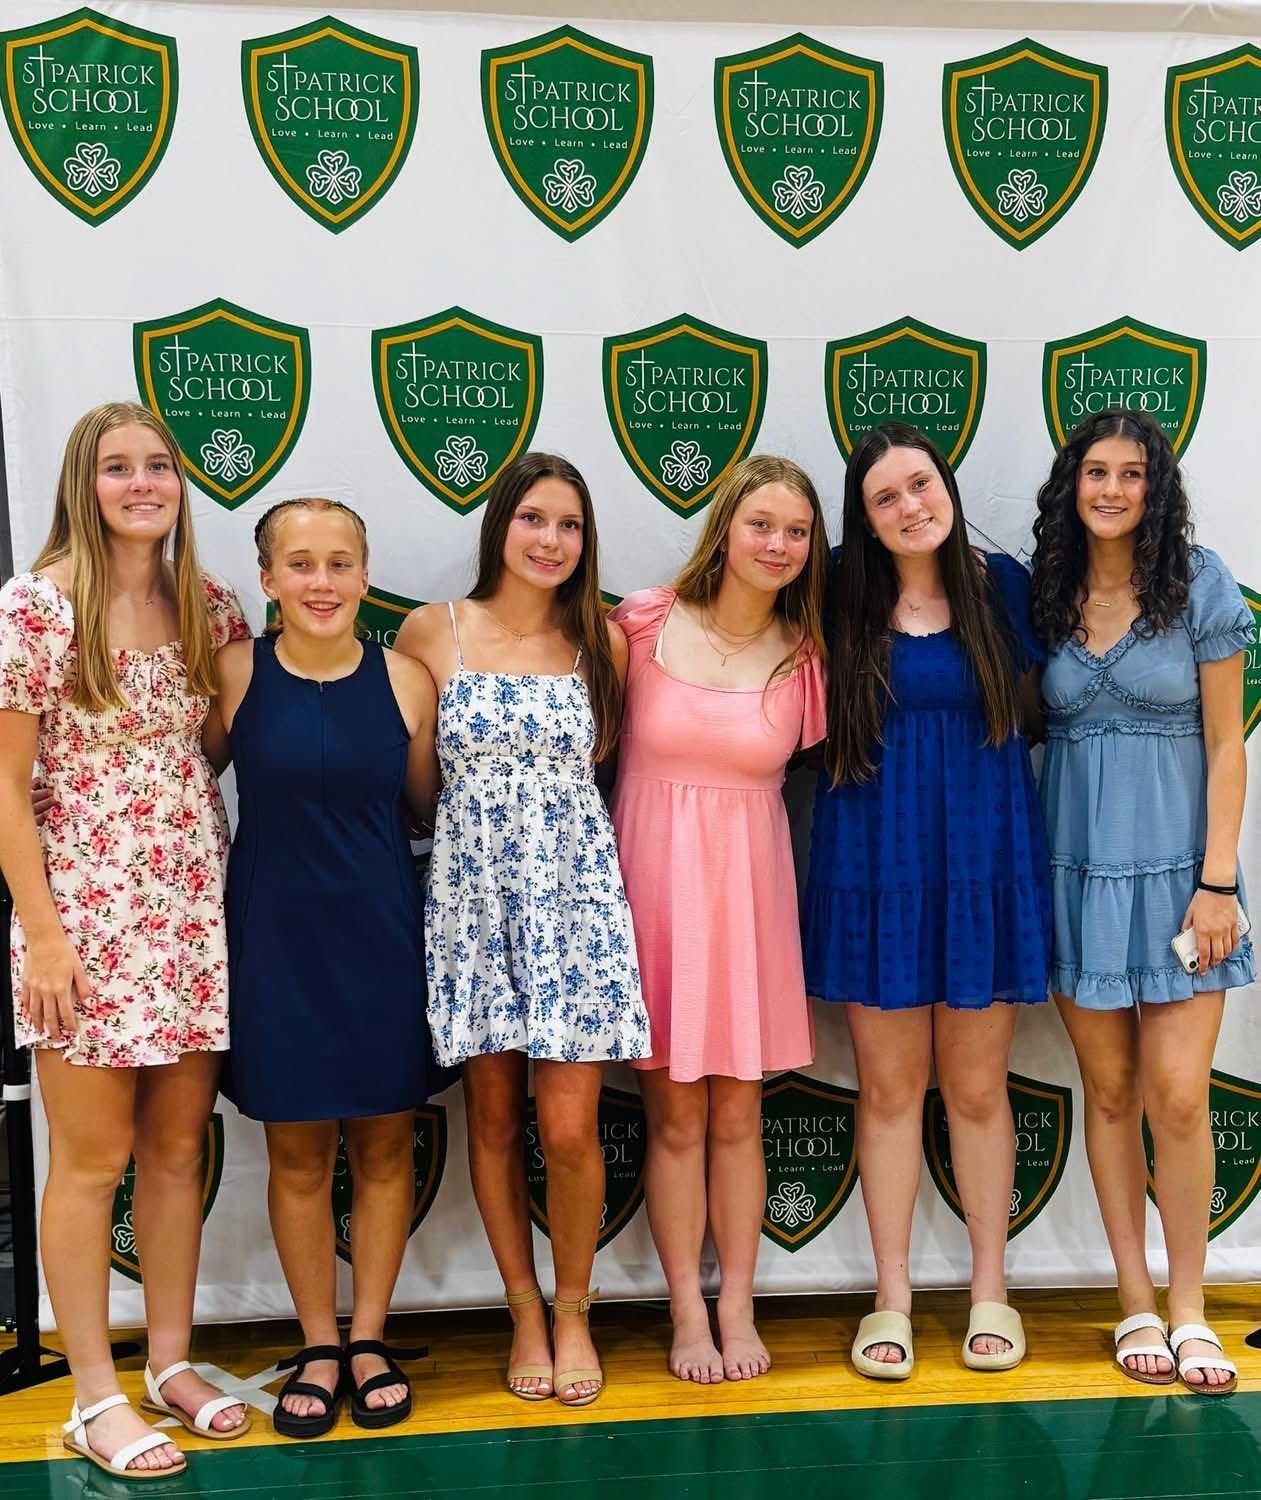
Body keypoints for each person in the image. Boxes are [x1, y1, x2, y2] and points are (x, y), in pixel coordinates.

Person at [0, 402, 250, 1479]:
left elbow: (219, 749)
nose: (141, 482)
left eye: (158, 465)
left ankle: (171, 1364)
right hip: (84, 921)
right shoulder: (38, 608)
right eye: (117, 467)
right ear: (82, 483)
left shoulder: (211, 608)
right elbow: (5, 785)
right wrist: (43, 933)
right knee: (91, 1161)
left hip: (190, 912)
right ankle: (94, 1394)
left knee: (179, 1153)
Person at [395, 452, 649, 1408]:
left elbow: (608, 772)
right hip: (470, 898)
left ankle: (575, 1307)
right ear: (500, 523)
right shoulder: (434, 630)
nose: (550, 540)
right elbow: (420, 787)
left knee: (571, 1126)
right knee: (494, 1121)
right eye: (534, 519)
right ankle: (523, 1312)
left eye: (570, 526)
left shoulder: (603, 641)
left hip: (575, 900)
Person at [803, 422, 1051, 1380]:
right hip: (875, 862)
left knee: (980, 1091)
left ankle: (991, 1289)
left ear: (946, 486)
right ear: (864, 522)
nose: (911, 506)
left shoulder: (1004, 591)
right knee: (892, 1092)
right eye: (885, 497)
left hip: (984, 858)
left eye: (921, 484)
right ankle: (891, 1299)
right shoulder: (835, 597)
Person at [206, 498, 441, 1435]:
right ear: (266, 580)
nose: (321, 582)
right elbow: (179, 779)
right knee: (298, 1152)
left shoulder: (407, 680)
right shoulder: (230, 672)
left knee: (385, 1146)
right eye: (299, 565)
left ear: (365, 575)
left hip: (382, 934)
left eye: (339, 563)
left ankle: (371, 1337)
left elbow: (423, 810)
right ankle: (316, 1342)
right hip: (271, 940)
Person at [1031, 408, 1253, 1396]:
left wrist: (1218, 881)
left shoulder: (1199, 584)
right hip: (1074, 874)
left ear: (1156, 488)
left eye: (1131, 473)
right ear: (1069, 486)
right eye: (1094, 472)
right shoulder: (1041, 594)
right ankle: (1132, 1301)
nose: (1111, 489)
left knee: (1178, 1097)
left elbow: (1224, 744)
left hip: (1180, 882)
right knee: (1111, 1096)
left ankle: (1190, 1309)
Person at [609, 455, 830, 1384]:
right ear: (725, 528)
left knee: (739, 1114)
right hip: (650, 888)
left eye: (796, 530)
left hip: (747, 899)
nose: (777, 544)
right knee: (672, 1116)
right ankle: (686, 1315)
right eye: (761, 524)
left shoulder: (809, 659)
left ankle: (738, 1305)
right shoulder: (645, 624)